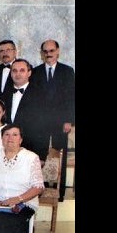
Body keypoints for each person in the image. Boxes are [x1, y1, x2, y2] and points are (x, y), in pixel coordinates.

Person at [31, 39, 75, 201]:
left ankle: (60, 193)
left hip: (60, 122)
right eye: (45, 51)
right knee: (39, 155)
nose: (48, 54)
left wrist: (69, 120)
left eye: (51, 51)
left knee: (59, 153)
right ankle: (38, 189)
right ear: (42, 53)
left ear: (57, 51)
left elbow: (71, 97)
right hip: (40, 123)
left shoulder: (67, 71)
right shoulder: (35, 72)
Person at [0, 59, 49, 160]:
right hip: (6, 150)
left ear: (29, 73)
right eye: (14, 71)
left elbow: (44, 127)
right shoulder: (4, 94)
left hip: (31, 151)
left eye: (22, 70)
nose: (18, 74)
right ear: (11, 73)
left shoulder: (41, 95)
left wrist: (41, 156)